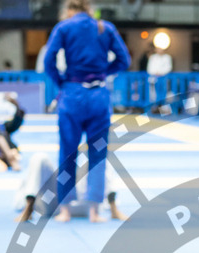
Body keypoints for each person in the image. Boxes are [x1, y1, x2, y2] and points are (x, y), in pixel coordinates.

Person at [44, 0, 130, 224]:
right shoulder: (105, 28)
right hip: (98, 96)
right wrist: (102, 73)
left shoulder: (63, 28)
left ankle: (65, 210)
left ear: (69, 9)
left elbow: (48, 62)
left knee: (67, 153)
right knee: (98, 155)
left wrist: (63, 81)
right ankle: (94, 211)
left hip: (72, 95)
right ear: (89, 8)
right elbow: (124, 60)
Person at [14, 152, 126, 222]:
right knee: (39, 157)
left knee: (100, 156)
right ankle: (29, 206)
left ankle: (113, 208)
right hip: (54, 203)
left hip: (84, 202)